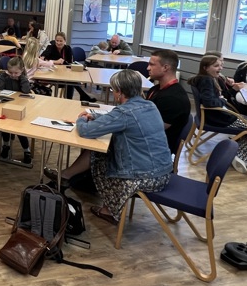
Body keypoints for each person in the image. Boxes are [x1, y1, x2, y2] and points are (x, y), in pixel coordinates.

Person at [47, 69, 172, 225]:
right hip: (163, 170)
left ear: (119, 92)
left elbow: (86, 131)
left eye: (113, 90)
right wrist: (95, 116)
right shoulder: (150, 105)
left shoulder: (124, 112)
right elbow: (115, 119)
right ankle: (65, 177)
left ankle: (107, 210)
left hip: (144, 177)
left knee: (100, 154)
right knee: (102, 151)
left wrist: (82, 119)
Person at [189, 55, 247, 172]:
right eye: (216, 66)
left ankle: (239, 153)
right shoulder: (206, 80)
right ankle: (240, 156)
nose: (220, 68)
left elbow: (217, 99)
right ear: (205, 68)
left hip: (223, 116)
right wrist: (222, 100)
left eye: (221, 65)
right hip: (220, 119)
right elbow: (209, 103)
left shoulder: (209, 78)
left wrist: (223, 96)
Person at [144, 49, 192, 151]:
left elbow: (151, 129)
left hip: (155, 150)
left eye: (152, 65)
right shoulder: (156, 89)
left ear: (165, 67)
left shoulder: (173, 99)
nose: (148, 68)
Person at [0, 57, 32, 164]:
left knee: (19, 129)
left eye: (16, 73)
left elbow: (26, 90)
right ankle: (6, 145)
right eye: (11, 72)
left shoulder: (23, 78)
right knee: (5, 126)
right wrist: (4, 76)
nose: (13, 75)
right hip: (7, 105)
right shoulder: (5, 76)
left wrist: (22, 78)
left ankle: (27, 150)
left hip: (20, 106)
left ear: (22, 70)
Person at [41, 32, 94, 103]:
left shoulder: (68, 48)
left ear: (65, 41)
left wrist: (64, 62)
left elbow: (70, 63)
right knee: (71, 81)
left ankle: (71, 100)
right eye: (57, 40)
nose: (58, 43)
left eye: (61, 41)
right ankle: (79, 97)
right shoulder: (50, 47)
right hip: (53, 74)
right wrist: (55, 61)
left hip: (65, 73)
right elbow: (42, 59)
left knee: (70, 80)